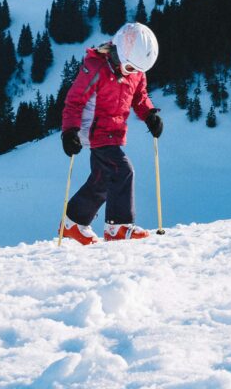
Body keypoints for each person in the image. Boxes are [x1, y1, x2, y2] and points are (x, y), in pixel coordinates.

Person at [60, 22, 163, 244]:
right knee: (122, 170)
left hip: (113, 130)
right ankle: (118, 227)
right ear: (117, 52)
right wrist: (69, 131)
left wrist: (149, 114)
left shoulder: (135, 70)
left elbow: (139, 96)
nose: (133, 73)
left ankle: (73, 223)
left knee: (103, 178)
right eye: (129, 69)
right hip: (93, 129)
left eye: (138, 70)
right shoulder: (96, 67)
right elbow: (74, 101)